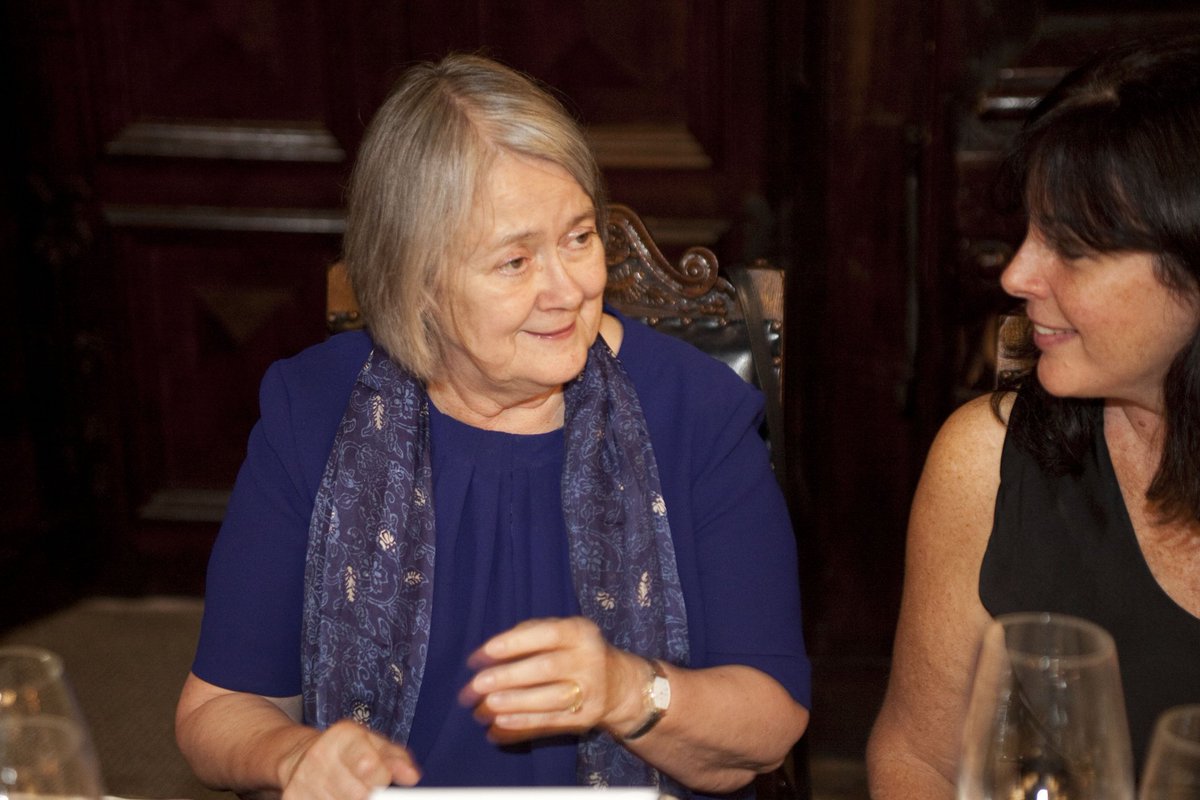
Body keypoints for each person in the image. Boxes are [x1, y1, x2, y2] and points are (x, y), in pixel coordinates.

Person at [174, 53, 810, 800]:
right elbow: (218, 711)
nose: (569, 290)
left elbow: (769, 727)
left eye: (579, 237)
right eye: (515, 261)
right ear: (419, 282)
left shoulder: (696, 412)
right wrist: (291, 757)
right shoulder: (311, 410)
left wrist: (628, 690)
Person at [866, 33, 1200, 798]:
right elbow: (918, 759)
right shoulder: (987, 460)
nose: (1017, 272)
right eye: (1028, 229)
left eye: (1072, 248)